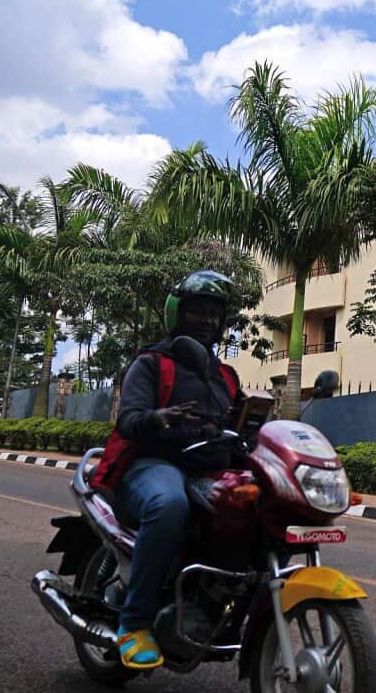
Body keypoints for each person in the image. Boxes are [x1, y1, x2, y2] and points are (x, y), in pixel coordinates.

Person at [91, 270, 243, 669]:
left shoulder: (226, 375)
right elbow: (129, 420)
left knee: (253, 509)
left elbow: (238, 424)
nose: (208, 321)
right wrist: (158, 418)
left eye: (214, 314)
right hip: (153, 464)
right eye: (199, 312)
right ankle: (134, 625)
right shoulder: (152, 363)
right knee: (169, 503)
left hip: (206, 469)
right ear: (178, 315)